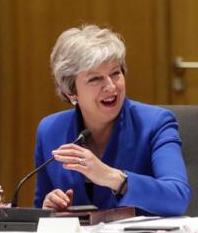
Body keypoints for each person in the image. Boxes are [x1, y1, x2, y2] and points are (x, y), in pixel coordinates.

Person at [34, 24, 190, 216]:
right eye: (95, 79)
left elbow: (177, 198)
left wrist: (113, 178)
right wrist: (49, 209)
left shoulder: (155, 123)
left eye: (115, 73)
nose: (110, 87)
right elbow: (39, 209)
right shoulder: (50, 130)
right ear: (71, 93)